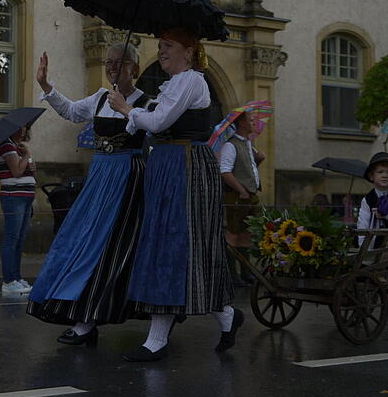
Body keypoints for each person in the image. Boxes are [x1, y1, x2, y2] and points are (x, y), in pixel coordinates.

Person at [108, 26, 238, 362]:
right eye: (160, 45)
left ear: (188, 50)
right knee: (161, 243)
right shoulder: (172, 85)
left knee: (181, 245)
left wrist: (126, 109)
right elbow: (146, 122)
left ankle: (166, 336)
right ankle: (218, 319)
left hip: (187, 166)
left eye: (167, 46)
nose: (161, 51)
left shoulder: (192, 80)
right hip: (166, 165)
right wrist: (130, 114)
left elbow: (160, 121)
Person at [27, 43, 151, 345]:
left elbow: (156, 132)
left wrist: (127, 109)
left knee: (108, 247)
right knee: (79, 240)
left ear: (134, 68)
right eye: (108, 62)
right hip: (100, 175)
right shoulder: (99, 98)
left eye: (118, 63)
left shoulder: (147, 102)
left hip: (127, 178)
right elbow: (70, 111)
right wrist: (45, 84)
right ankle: (81, 317)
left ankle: (90, 320)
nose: (110, 68)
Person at [219, 108, 265, 286]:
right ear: (241, 123)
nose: (253, 120)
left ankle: (246, 273)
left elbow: (247, 170)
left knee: (246, 235)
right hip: (237, 197)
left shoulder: (248, 144)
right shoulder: (231, 145)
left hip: (250, 196)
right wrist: (241, 190)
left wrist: (259, 160)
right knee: (233, 235)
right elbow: (225, 172)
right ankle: (232, 274)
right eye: (249, 118)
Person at [0, 126, 36, 295]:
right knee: (12, 238)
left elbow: (32, 170)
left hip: (26, 197)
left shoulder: (17, 148)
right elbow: (17, 171)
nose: (24, 131)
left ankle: (17, 277)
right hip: (14, 197)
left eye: (26, 128)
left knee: (20, 239)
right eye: (21, 128)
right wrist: (26, 156)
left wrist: (27, 157)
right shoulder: (6, 146)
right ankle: (8, 280)